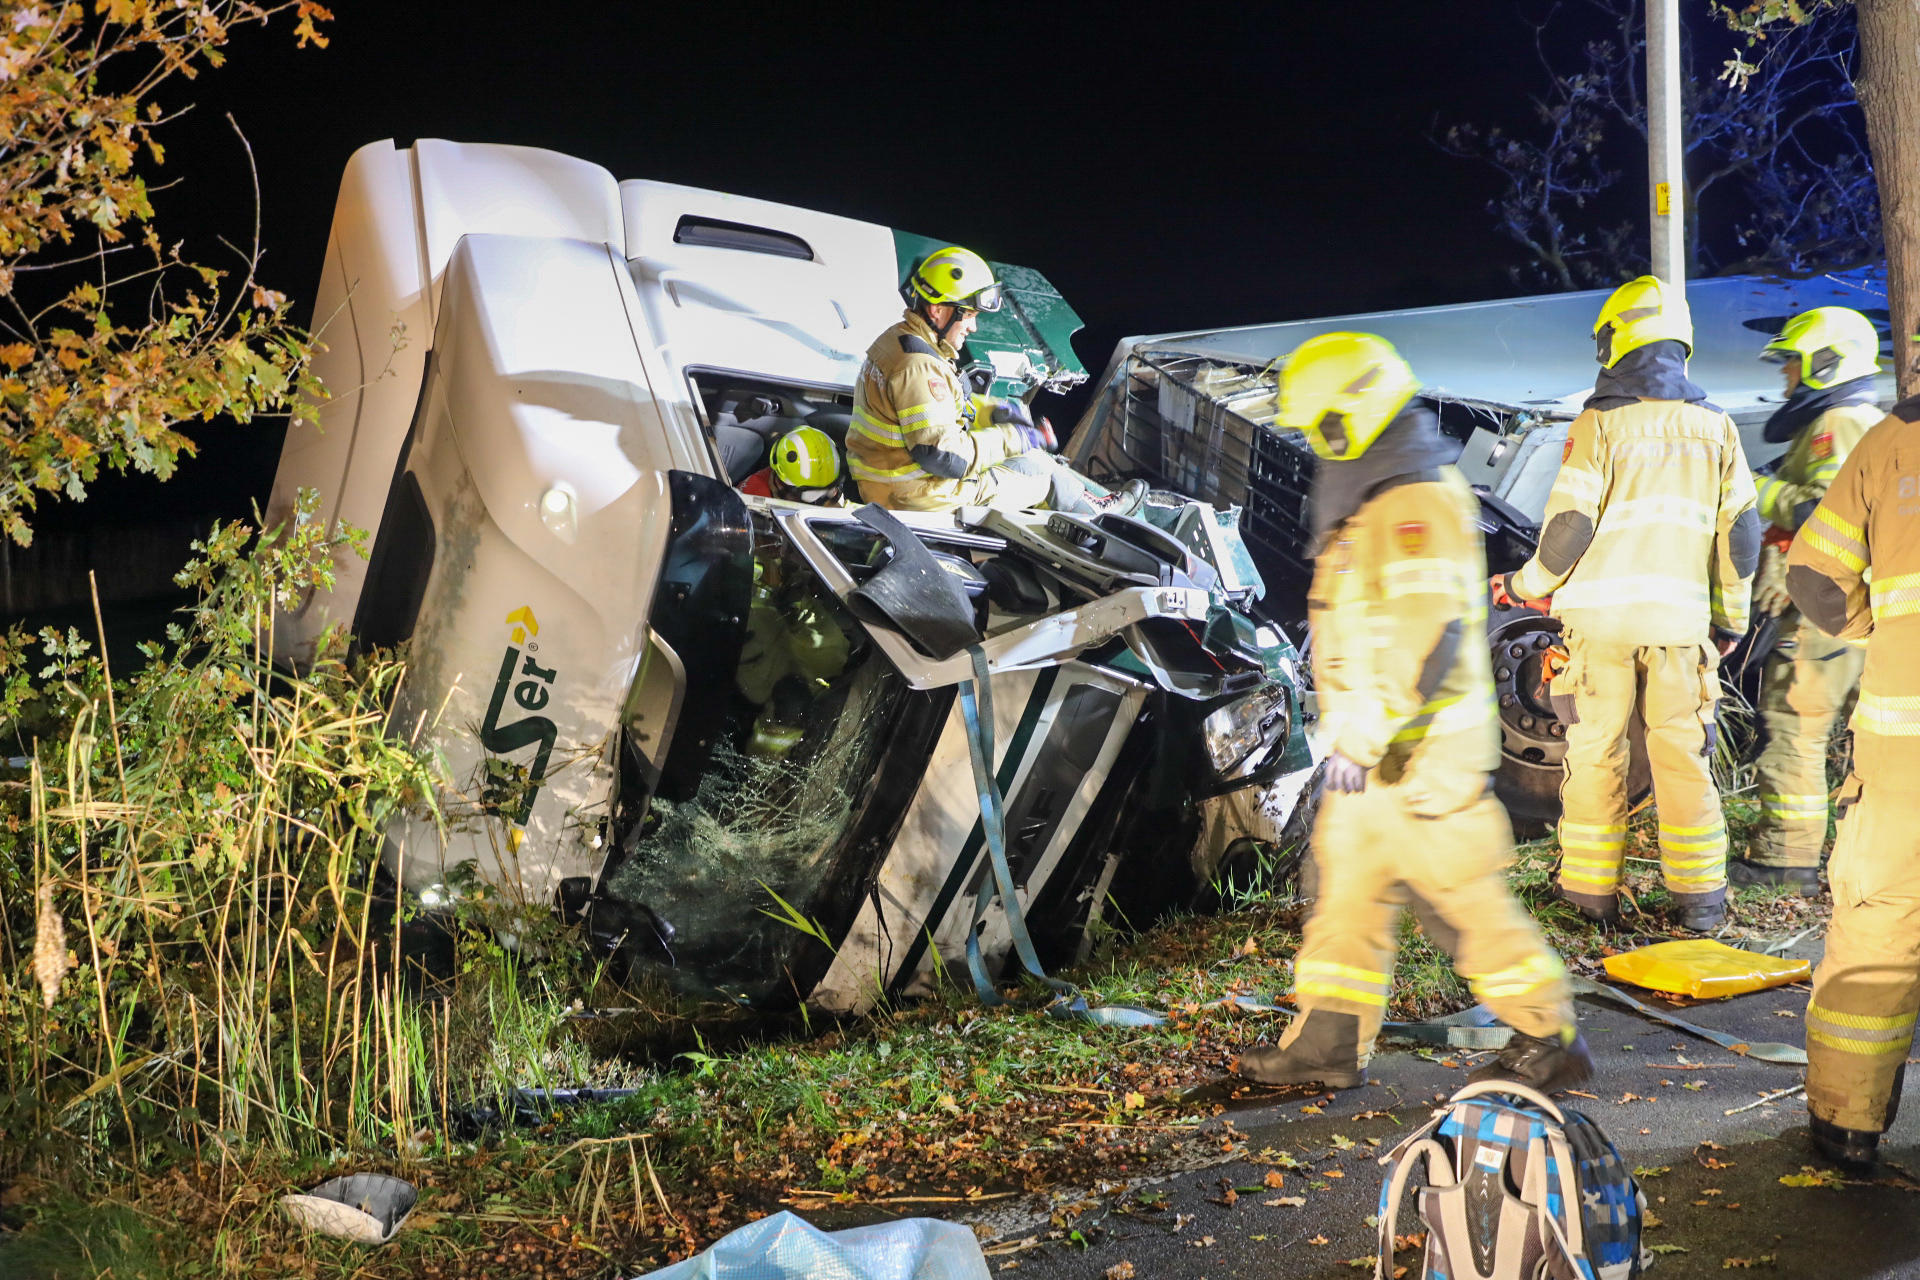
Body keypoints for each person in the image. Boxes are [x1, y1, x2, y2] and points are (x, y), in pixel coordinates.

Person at [1236, 331, 1591, 1094]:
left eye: (1323, 422)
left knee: (1459, 902)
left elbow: (1426, 637)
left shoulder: (1413, 501)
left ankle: (1548, 1034)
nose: (1318, 441)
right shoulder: (1375, 494)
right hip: (1374, 752)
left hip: (1421, 755)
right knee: (1346, 895)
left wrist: (1365, 740)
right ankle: (1326, 1042)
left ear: (1357, 408)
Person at [1495, 276, 1761, 933]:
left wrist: (1522, 587)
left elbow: (1568, 531)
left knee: (1595, 757)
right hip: (1679, 630)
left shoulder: (1600, 423)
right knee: (1684, 762)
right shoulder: (1717, 427)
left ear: (1617, 340)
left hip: (1600, 631)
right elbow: (1742, 537)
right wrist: (1730, 617)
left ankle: (1590, 900)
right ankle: (1701, 904)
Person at [1783, 387, 1920, 1168]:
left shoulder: (1889, 441)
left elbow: (1815, 577)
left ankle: (1845, 1125)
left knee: (1882, 920)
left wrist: (1887, 632)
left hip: (1906, 741)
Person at [1734, 308, 1881, 892]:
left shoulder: (1839, 422)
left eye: (1792, 364)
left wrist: (1761, 489)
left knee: (1794, 726)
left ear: (1825, 361)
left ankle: (1783, 862)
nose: (1785, 376)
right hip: (1854, 603)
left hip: (1826, 608)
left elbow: (1823, 510)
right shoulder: (1860, 421)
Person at [844, 245, 1142, 514]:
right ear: (937, 309)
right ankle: (1104, 516)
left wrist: (994, 411)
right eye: (969, 315)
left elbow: (936, 410)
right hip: (915, 494)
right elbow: (944, 456)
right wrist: (1016, 438)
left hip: (888, 482)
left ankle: (1089, 501)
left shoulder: (899, 339)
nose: (973, 327)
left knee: (1032, 461)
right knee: (1041, 478)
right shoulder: (918, 366)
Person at [741, 425, 848, 505]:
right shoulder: (752, 495)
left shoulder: (830, 486)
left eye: (826, 493)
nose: (818, 502)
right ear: (781, 483)